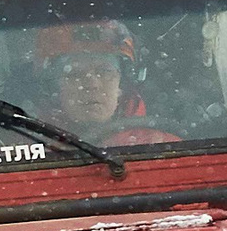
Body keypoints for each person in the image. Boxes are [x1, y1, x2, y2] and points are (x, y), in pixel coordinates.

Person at [30, 20, 176, 145]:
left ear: (123, 83)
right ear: (52, 88)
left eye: (105, 72)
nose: (92, 84)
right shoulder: (25, 147)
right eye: (74, 74)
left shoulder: (163, 146)